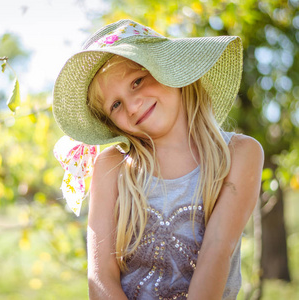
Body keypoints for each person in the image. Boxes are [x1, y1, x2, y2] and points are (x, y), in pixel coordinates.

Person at [52, 19, 264, 300]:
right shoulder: (112, 168)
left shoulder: (238, 154)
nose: (132, 105)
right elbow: (100, 278)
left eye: (137, 82)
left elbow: (217, 249)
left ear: (166, 69)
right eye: (115, 105)